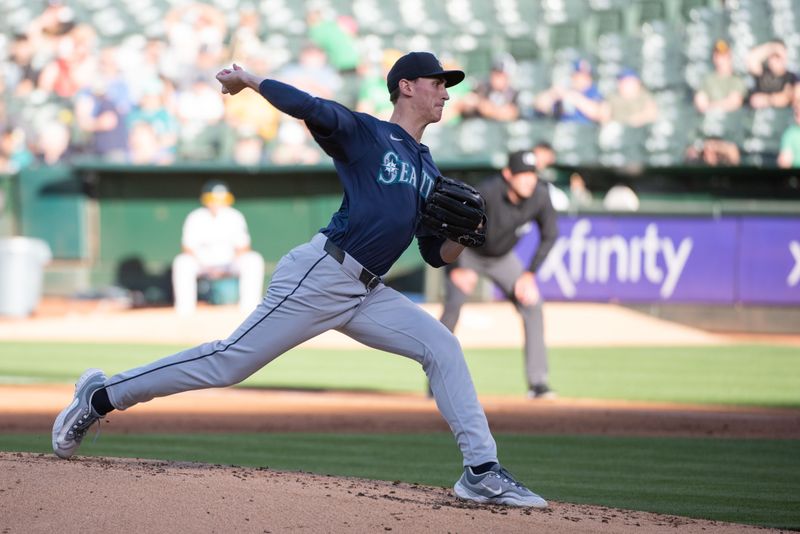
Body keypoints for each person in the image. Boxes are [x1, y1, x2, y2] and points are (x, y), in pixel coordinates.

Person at [51, 51, 548, 509]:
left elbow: (433, 255)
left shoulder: (427, 167)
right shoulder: (367, 134)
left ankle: (481, 470)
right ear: (406, 87)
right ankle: (101, 395)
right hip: (323, 273)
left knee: (443, 347)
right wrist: (250, 79)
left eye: (448, 85)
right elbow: (309, 106)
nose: (446, 92)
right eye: (438, 82)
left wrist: (465, 237)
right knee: (228, 363)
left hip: (367, 291)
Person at [438, 150, 559, 399]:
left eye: (532, 174)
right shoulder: (487, 193)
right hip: (468, 253)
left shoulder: (540, 196)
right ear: (508, 175)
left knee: (533, 305)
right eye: (522, 174)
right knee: (453, 307)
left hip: (502, 258)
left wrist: (530, 274)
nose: (528, 180)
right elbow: (451, 223)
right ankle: (437, 383)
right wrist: (456, 267)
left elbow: (550, 234)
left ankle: (538, 383)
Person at [172, 180, 265, 315]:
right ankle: (185, 310)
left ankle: (249, 308)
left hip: (229, 262)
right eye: (213, 199)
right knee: (182, 262)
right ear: (205, 199)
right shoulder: (196, 216)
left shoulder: (234, 216)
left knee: (253, 259)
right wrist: (206, 266)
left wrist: (228, 264)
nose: (217, 203)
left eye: (222, 199)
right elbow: (187, 248)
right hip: (202, 263)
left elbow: (244, 247)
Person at [534, 58, 604, 123]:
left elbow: (598, 113)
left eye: (586, 76)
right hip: (562, 131)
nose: (581, 79)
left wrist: (574, 97)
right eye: (578, 75)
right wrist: (552, 94)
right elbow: (540, 105)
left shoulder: (594, 92)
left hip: (586, 132)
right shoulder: (565, 90)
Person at [693, 40, 747, 115]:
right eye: (718, 56)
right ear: (714, 58)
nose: (721, 59)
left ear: (730, 57)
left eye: (724, 55)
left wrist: (710, 105)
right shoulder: (707, 79)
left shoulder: (736, 80)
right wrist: (723, 104)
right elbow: (701, 104)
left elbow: (734, 103)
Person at [746, 40, 796, 109]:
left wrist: (768, 99)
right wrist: (772, 47)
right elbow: (752, 59)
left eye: (777, 56)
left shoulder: (791, 77)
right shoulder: (763, 72)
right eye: (772, 56)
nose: (774, 60)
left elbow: (788, 97)